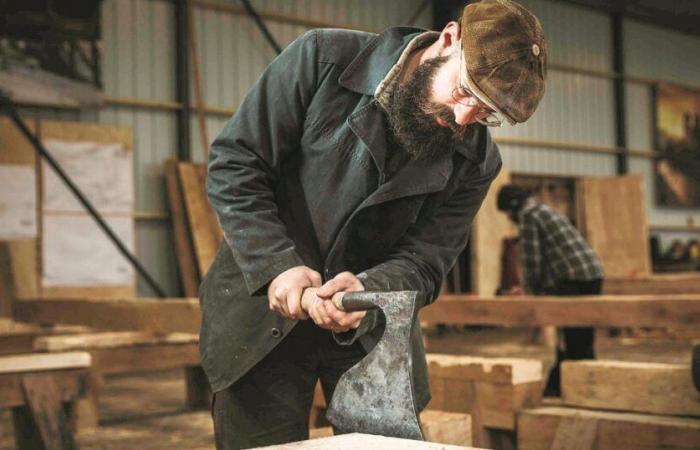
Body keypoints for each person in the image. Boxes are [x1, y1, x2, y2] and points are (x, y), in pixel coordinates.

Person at [202, 1, 547, 448]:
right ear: (448, 40)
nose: (464, 120)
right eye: (465, 92)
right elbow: (237, 163)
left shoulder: (478, 160)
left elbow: (425, 261)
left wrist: (370, 290)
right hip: (258, 313)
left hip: (371, 330)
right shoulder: (323, 60)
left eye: (486, 113)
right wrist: (275, 264)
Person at [496, 184, 604, 396]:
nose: (509, 217)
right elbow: (552, 255)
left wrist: (532, 293)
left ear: (513, 205)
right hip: (591, 273)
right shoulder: (544, 209)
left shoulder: (528, 216)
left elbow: (532, 258)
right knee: (582, 337)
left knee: (571, 340)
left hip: (573, 278)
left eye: (507, 212)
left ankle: (574, 388)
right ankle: (580, 385)